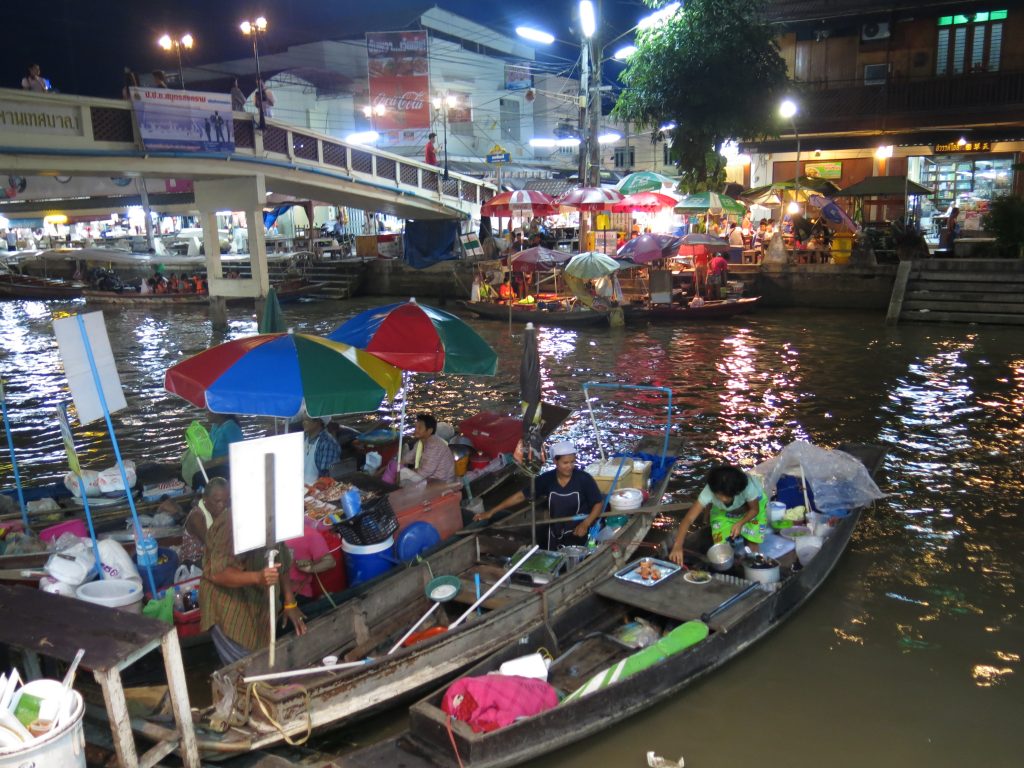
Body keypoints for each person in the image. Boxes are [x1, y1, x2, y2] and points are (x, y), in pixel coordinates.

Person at [200, 477, 306, 664]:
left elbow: (281, 560)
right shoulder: (230, 523)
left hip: (256, 602)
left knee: (263, 654)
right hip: (228, 607)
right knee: (247, 667)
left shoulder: (273, 519)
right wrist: (258, 577)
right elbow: (219, 572)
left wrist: (290, 603)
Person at [475, 440, 603, 549]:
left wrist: (585, 524)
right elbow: (521, 496)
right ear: (555, 462)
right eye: (565, 463)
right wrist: (492, 511)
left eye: (572, 462)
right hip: (555, 531)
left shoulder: (584, 479)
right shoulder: (547, 479)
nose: (570, 466)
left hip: (579, 532)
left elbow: (598, 503)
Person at [668, 464, 768, 565]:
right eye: (719, 495)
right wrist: (678, 545)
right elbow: (688, 519)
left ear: (737, 492)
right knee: (720, 544)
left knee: (752, 539)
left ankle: (754, 563)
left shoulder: (748, 487)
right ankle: (727, 564)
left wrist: (740, 523)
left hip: (752, 507)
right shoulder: (709, 491)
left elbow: (754, 510)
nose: (723, 499)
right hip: (723, 510)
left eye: (727, 496)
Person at [398, 413, 456, 485]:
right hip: (430, 478)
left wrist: (411, 472)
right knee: (400, 471)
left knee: (403, 474)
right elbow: (410, 456)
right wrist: (399, 463)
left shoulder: (434, 446)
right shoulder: (422, 441)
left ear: (429, 430)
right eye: (415, 427)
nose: (416, 430)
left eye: (419, 428)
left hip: (442, 482)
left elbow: (426, 471)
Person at [284, 524, 335, 605]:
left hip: (298, 593)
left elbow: (330, 562)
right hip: (271, 591)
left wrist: (310, 568)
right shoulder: (268, 536)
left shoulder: (310, 534)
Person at [303, 414, 341, 484]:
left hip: (315, 492)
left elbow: (326, 476)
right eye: (304, 419)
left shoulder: (328, 443)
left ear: (318, 422)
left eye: (306, 420)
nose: (303, 422)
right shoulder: (303, 437)